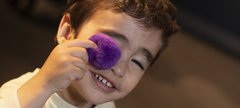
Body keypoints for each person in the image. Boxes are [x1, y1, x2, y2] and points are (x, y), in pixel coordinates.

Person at [0, 0, 179, 108]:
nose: (120, 70)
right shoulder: (22, 95)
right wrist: (44, 84)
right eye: (111, 46)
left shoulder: (105, 103)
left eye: (138, 62)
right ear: (67, 31)